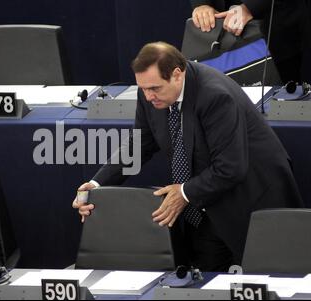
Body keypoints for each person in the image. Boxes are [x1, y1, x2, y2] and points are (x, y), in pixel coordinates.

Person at [72, 42, 303, 271]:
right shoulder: (150, 92)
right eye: (142, 88)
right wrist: (96, 184)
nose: (148, 96)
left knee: (264, 279)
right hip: (206, 200)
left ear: (177, 74)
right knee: (206, 278)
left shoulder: (215, 96)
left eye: (154, 88)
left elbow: (231, 167)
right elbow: (140, 143)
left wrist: (183, 192)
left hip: (252, 197)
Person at [190, 0, 311, 84]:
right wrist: (201, 4)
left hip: (275, 32)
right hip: (218, 38)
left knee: (279, 110)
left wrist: (250, 7)